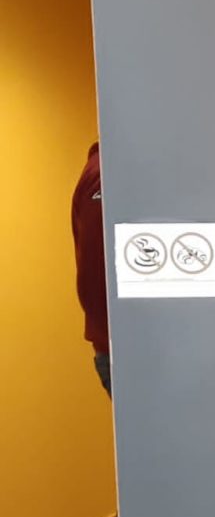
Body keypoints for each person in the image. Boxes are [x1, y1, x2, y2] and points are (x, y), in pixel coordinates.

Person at [71, 141, 110, 396]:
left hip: (118, 344)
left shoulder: (102, 170)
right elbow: (96, 271)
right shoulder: (105, 173)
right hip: (127, 349)